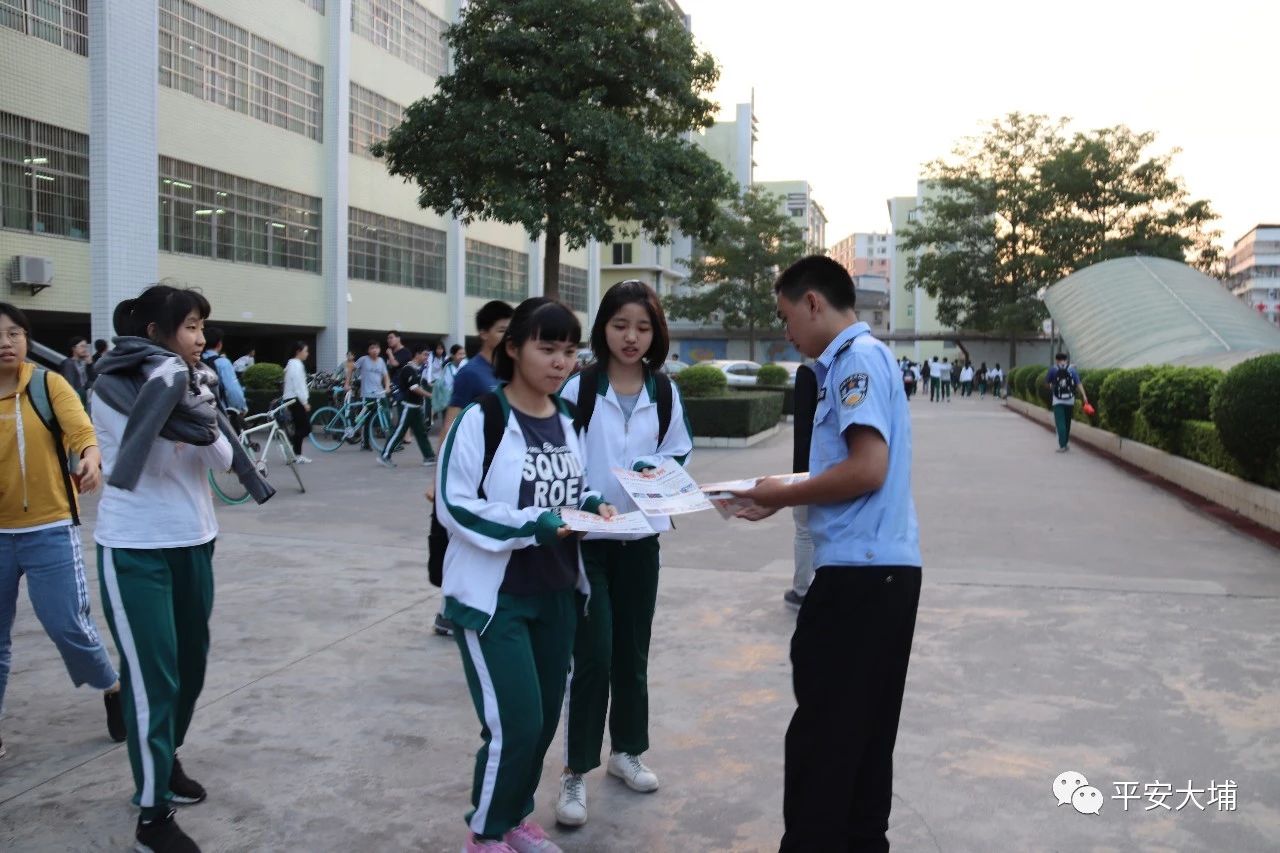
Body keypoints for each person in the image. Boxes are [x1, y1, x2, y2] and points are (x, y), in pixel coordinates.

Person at [732, 255, 921, 853]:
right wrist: (780, 492)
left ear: (813, 302)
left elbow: (866, 469)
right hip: (886, 573)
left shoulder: (852, 361)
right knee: (864, 738)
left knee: (823, 739)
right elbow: (848, 467)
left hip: (858, 577)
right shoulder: (866, 357)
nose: (786, 331)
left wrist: (786, 491)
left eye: (787, 316)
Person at [436, 296, 616, 853]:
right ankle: (485, 834)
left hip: (558, 592)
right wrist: (533, 524)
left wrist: (592, 508)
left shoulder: (566, 419)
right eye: (547, 347)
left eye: (569, 350)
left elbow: (570, 489)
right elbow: (455, 505)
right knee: (514, 724)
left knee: (538, 727)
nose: (561, 362)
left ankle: (514, 818)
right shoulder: (482, 419)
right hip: (497, 601)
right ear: (512, 348)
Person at [91, 283, 236, 853]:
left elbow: (223, 456)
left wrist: (203, 409)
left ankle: (166, 758)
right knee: (153, 680)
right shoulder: (111, 386)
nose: (200, 340)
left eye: (203, 327)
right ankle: (152, 818)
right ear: (153, 333)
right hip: (134, 547)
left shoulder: (200, 383)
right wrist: (187, 405)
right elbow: (142, 440)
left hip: (194, 540)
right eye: (190, 328)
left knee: (191, 668)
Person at [555, 281, 694, 828]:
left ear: (655, 332)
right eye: (620, 326)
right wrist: (588, 498)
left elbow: (677, 449)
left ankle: (626, 752)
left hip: (642, 540)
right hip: (589, 543)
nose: (631, 337)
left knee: (633, 652)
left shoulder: (663, 391)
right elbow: (560, 459)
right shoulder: (579, 389)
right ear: (603, 329)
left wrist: (655, 473)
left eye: (642, 327)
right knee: (594, 656)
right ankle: (575, 770)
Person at [0, 303, 124, 760]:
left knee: (66, 624)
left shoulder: (48, 385)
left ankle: (112, 686)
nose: (5, 342)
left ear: (26, 338)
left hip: (49, 527)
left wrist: (91, 459)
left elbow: (81, 433)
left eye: (14, 333)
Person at [431, 300, 514, 638]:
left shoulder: (508, 371)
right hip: (473, 471)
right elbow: (450, 424)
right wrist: (439, 478)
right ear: (483, 333)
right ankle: (449, 612)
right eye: (501, 330)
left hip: (500, 470)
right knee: (466, 543)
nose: (508, 335)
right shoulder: (471, 373)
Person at [378, 344, 436, 469]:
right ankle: (385, 456)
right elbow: (414, 388)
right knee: (399, 432)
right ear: (417, 354)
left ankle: (429, 457)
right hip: (408, 407)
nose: (427, 357)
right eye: (425, 354)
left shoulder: (417, 368)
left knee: (421, 433)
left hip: (416, 407)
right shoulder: (408, 369)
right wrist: (430, 395)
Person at [200, 327, 247, 433]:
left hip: (200, 413)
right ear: (219, 344)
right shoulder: (223, 362)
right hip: (221, 415)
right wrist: (241, 407)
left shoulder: (198, 361)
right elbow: (232, 390)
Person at [348, 341, 391, 451]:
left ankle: (392, 442)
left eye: (377, 348)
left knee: (386, 415)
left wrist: (387, 387)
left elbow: (386, 375)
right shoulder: (363, 360)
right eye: (372, 348)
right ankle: (365, 443)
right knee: (367, 420)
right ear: (368, 350)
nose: (375, 350)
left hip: (380, 394)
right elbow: (351, 368)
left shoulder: (381, 361)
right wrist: (347, 383)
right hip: (368, 395)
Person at [1046, 352, 1089, 452]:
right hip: (1070, 399)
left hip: (1057, 400)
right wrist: (1084, 395)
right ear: (1066, 360)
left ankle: (1062, 445)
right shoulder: (1072, 369)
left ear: (1056, 360)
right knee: (1067, 422)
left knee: (1060, 422)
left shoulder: (1053, 369)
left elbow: (1047, 383)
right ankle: (1065, 443)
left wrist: (1052, 387)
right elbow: (1078, 383)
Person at [283, 341, 313, 464]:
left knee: (300, 427)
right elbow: (298, 385)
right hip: (295, 399)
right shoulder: (296, 364)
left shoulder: (291, 364)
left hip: (291, 399)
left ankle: (297, 454)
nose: (307, 354)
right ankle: (292, 450)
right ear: (298, 352)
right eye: (305, 351)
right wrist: (304, 402)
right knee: (306, 428)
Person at [432, 344, 466, 427]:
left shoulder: (466, 365)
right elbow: (447, 387)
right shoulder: (449, 368)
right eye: (460, 354)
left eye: (463, 354)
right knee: (449, 426)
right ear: (453, 355)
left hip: (464, 401)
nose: (462, 356)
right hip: (451, 401)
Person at [59, 336, 92, 405]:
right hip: (75, 400)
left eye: (86, 347)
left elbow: (92, 380)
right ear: (73, 348)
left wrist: (90, 364)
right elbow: (69, 384)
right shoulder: (68, 363)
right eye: (82, 346)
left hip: (84, 399)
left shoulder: (85, 362)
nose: (85, 349)